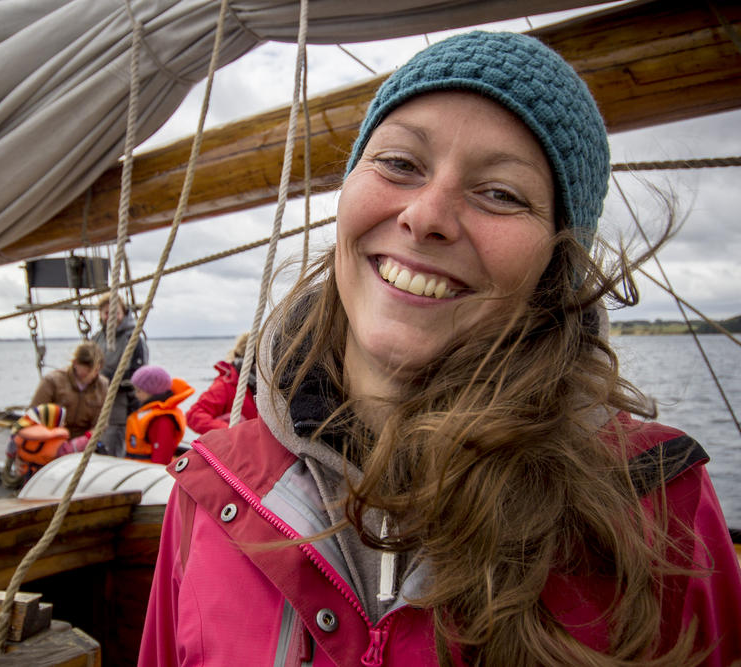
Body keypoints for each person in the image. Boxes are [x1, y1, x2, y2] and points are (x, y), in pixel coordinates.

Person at [139, 31, 741, 666]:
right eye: (399, 163)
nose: (426, 215)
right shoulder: (214, 488)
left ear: (556, 265)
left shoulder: (657, 504)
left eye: (501, 193)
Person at [92, 293, 148, 457]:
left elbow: (139, 375)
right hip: (98, 402)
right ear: (101, 315)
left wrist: (107, 379)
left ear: (123, 313)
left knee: (114, 445)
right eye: (106, 313)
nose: (110, 317)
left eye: (115, 312)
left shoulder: (134, 339)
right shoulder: (97, 338)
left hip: (122, 404)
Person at [28, 341, 108, 438]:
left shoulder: (102, 386)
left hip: (83, 442)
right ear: (75, 363)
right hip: (52, 438)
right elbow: (33, 415)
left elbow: (101, 424)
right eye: (88, 370)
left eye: (96, 370)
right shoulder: (53, 381)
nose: (92, 375)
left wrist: (84, 440)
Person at [185, 332, 258, 434]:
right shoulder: (225, 385)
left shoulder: (267, 388)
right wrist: (232, 432)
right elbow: (194, 416)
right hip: (236, 446)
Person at [125, 365, 193, 465]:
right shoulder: (148, 413)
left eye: (139, 391)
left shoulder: (162, 420)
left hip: (147, 472)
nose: (136, 394)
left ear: (152, 392)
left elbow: (162, 458)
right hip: (136, 468)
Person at [4, 403, 72, 488]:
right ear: (53, 421)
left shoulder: (21, 436)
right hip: (46, 481)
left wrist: (15, 457)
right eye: (62, 421)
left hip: (26, 475)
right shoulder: (59, 444)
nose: (64, 424)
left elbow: (10, 450)